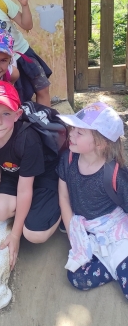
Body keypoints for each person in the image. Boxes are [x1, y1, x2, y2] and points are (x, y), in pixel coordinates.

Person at [0, 80, 61, 270]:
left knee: (33, 234)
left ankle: (59, 204)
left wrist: (15, 234)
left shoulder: (28, 140)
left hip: (44, 176)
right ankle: (32, 210)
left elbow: (24, 190)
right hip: (15, 173)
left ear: (17, 115)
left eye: (6, 113)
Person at [57, 102, 128, 300]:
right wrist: (74, 235)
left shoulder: (115, 174)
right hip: (89, 230)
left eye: (80, 133)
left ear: (100, 143)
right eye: (73, 129)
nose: (71, 134)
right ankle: (116, 265)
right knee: (76, 277)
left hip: (116, 230)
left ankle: (118, 261)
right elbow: (63, 198)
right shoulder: (68, 159)